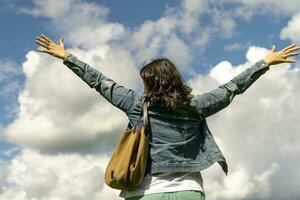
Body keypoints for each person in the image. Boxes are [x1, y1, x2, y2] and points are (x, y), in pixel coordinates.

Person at [35, 34, 299, 200]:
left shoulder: (137, 105)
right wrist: (264, 63)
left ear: (149, 83)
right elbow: (232, 88)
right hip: (189, 191)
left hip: (144, 192)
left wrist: (67, 57)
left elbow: (101, 82)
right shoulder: (198, 106)